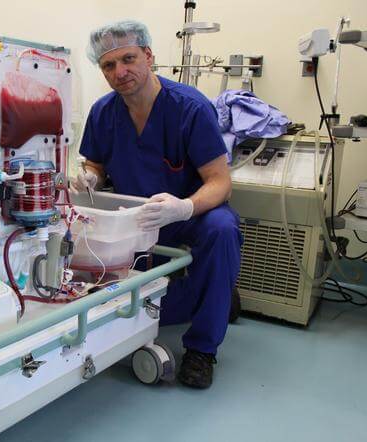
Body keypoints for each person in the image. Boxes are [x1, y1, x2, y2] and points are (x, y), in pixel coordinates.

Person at [72, 20, 242, 389]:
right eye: (108, 65)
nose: (120, 72)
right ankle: (217, 295)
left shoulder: (190, 108)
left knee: (222, 230)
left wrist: (183, 208)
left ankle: (202, 349)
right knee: (137, 296)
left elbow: (220, 182)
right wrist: (90, 178)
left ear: (148, 56)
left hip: (190, 213)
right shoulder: (103, 112)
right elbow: (95, 164)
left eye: (129, 58)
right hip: (138, 216)